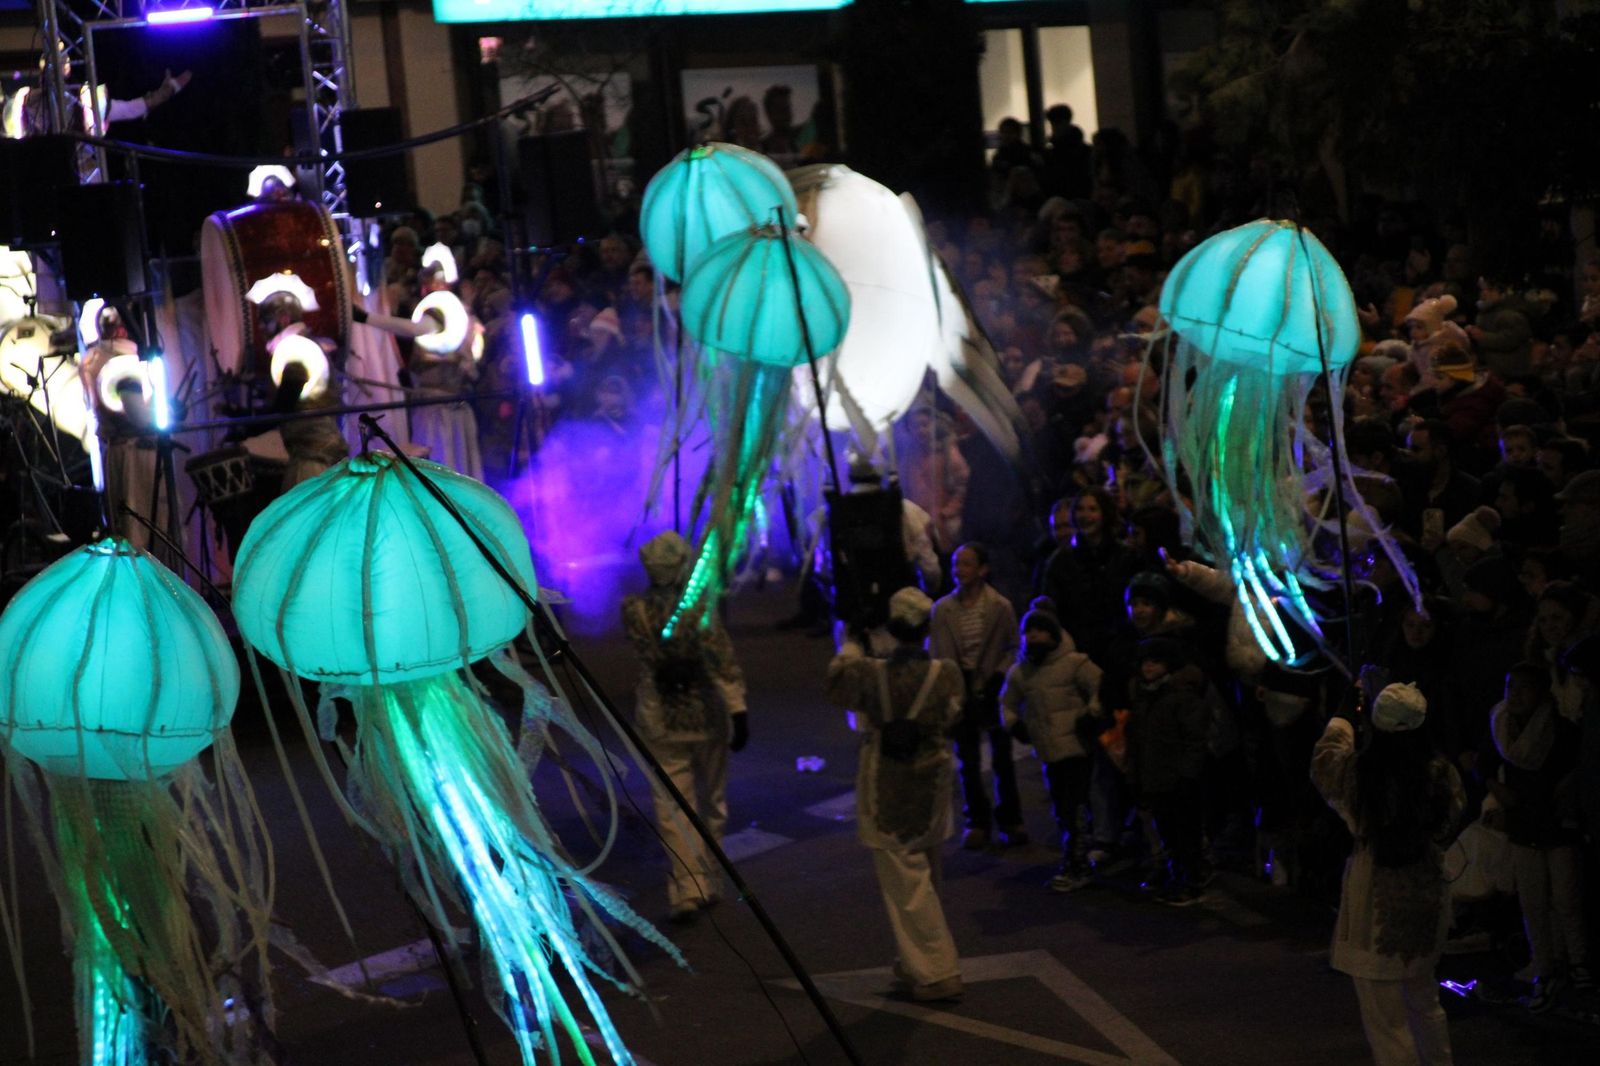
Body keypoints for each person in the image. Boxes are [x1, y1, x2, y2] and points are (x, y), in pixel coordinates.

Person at [1311, 681, 1465, 1066]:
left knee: (1386, 1019)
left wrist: (1346, 713)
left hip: (1374, 898)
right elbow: (1450, 821)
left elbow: (1325, 760)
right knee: (1424, 1001)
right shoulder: (1442, 774)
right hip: (1426, 888)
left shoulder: (1360, 774)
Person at [825, 587, 965, 1002]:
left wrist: (850, 642)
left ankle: (937, 971)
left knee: (905, 879)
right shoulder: (947, 673)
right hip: (933, 777)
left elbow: (837, 686)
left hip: (886, 778)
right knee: (928, 865)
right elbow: (954, 715)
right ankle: (916, 961)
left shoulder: (870, 673)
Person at [620, 531, 750, 922]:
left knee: (672, 804)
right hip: (705, 713)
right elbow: (722, 664)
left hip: (659, 714)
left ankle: (686, 887)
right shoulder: (700, 610)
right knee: (712, 801)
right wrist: (739, 711)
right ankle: (710, 878)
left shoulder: (633, 610)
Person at [1490, 662, 1592, 1012]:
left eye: (1523, 688)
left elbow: (1562, 780)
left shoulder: (1560, 732)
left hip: (1555, 825)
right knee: (1533, 901)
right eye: (1510, 687)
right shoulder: (1501, 728)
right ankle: (1545, 966)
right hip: (1525, 825)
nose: (1515, 695)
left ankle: (1577, 965)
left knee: (1566, 899)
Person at [1000, 599, 1104, 891]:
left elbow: (1099, 686)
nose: (1032, 636)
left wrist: (1091, 714)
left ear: (1053, 635)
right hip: (1048, 751)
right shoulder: (1022, 672)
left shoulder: (1074, 664)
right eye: (1028, 631)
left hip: (1075, 747)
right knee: (1063, 807)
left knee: (1076, 806)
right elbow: (1006, 702)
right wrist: (1014, 724)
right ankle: (1076, 857)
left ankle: (1078, 861)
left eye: (1039, 630)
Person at [930, 543, 1024, 849]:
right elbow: (938, 653)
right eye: (956, 564)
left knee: (1001, 756)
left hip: (992, 684)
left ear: (983, 570)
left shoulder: (999, 606)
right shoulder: (943, 609)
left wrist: (1000, 674)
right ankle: (977, 820)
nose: (959, 570)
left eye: (966, 564)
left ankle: (1010, 819)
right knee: (967, 758)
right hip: (960, 686)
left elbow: (1013, 646)